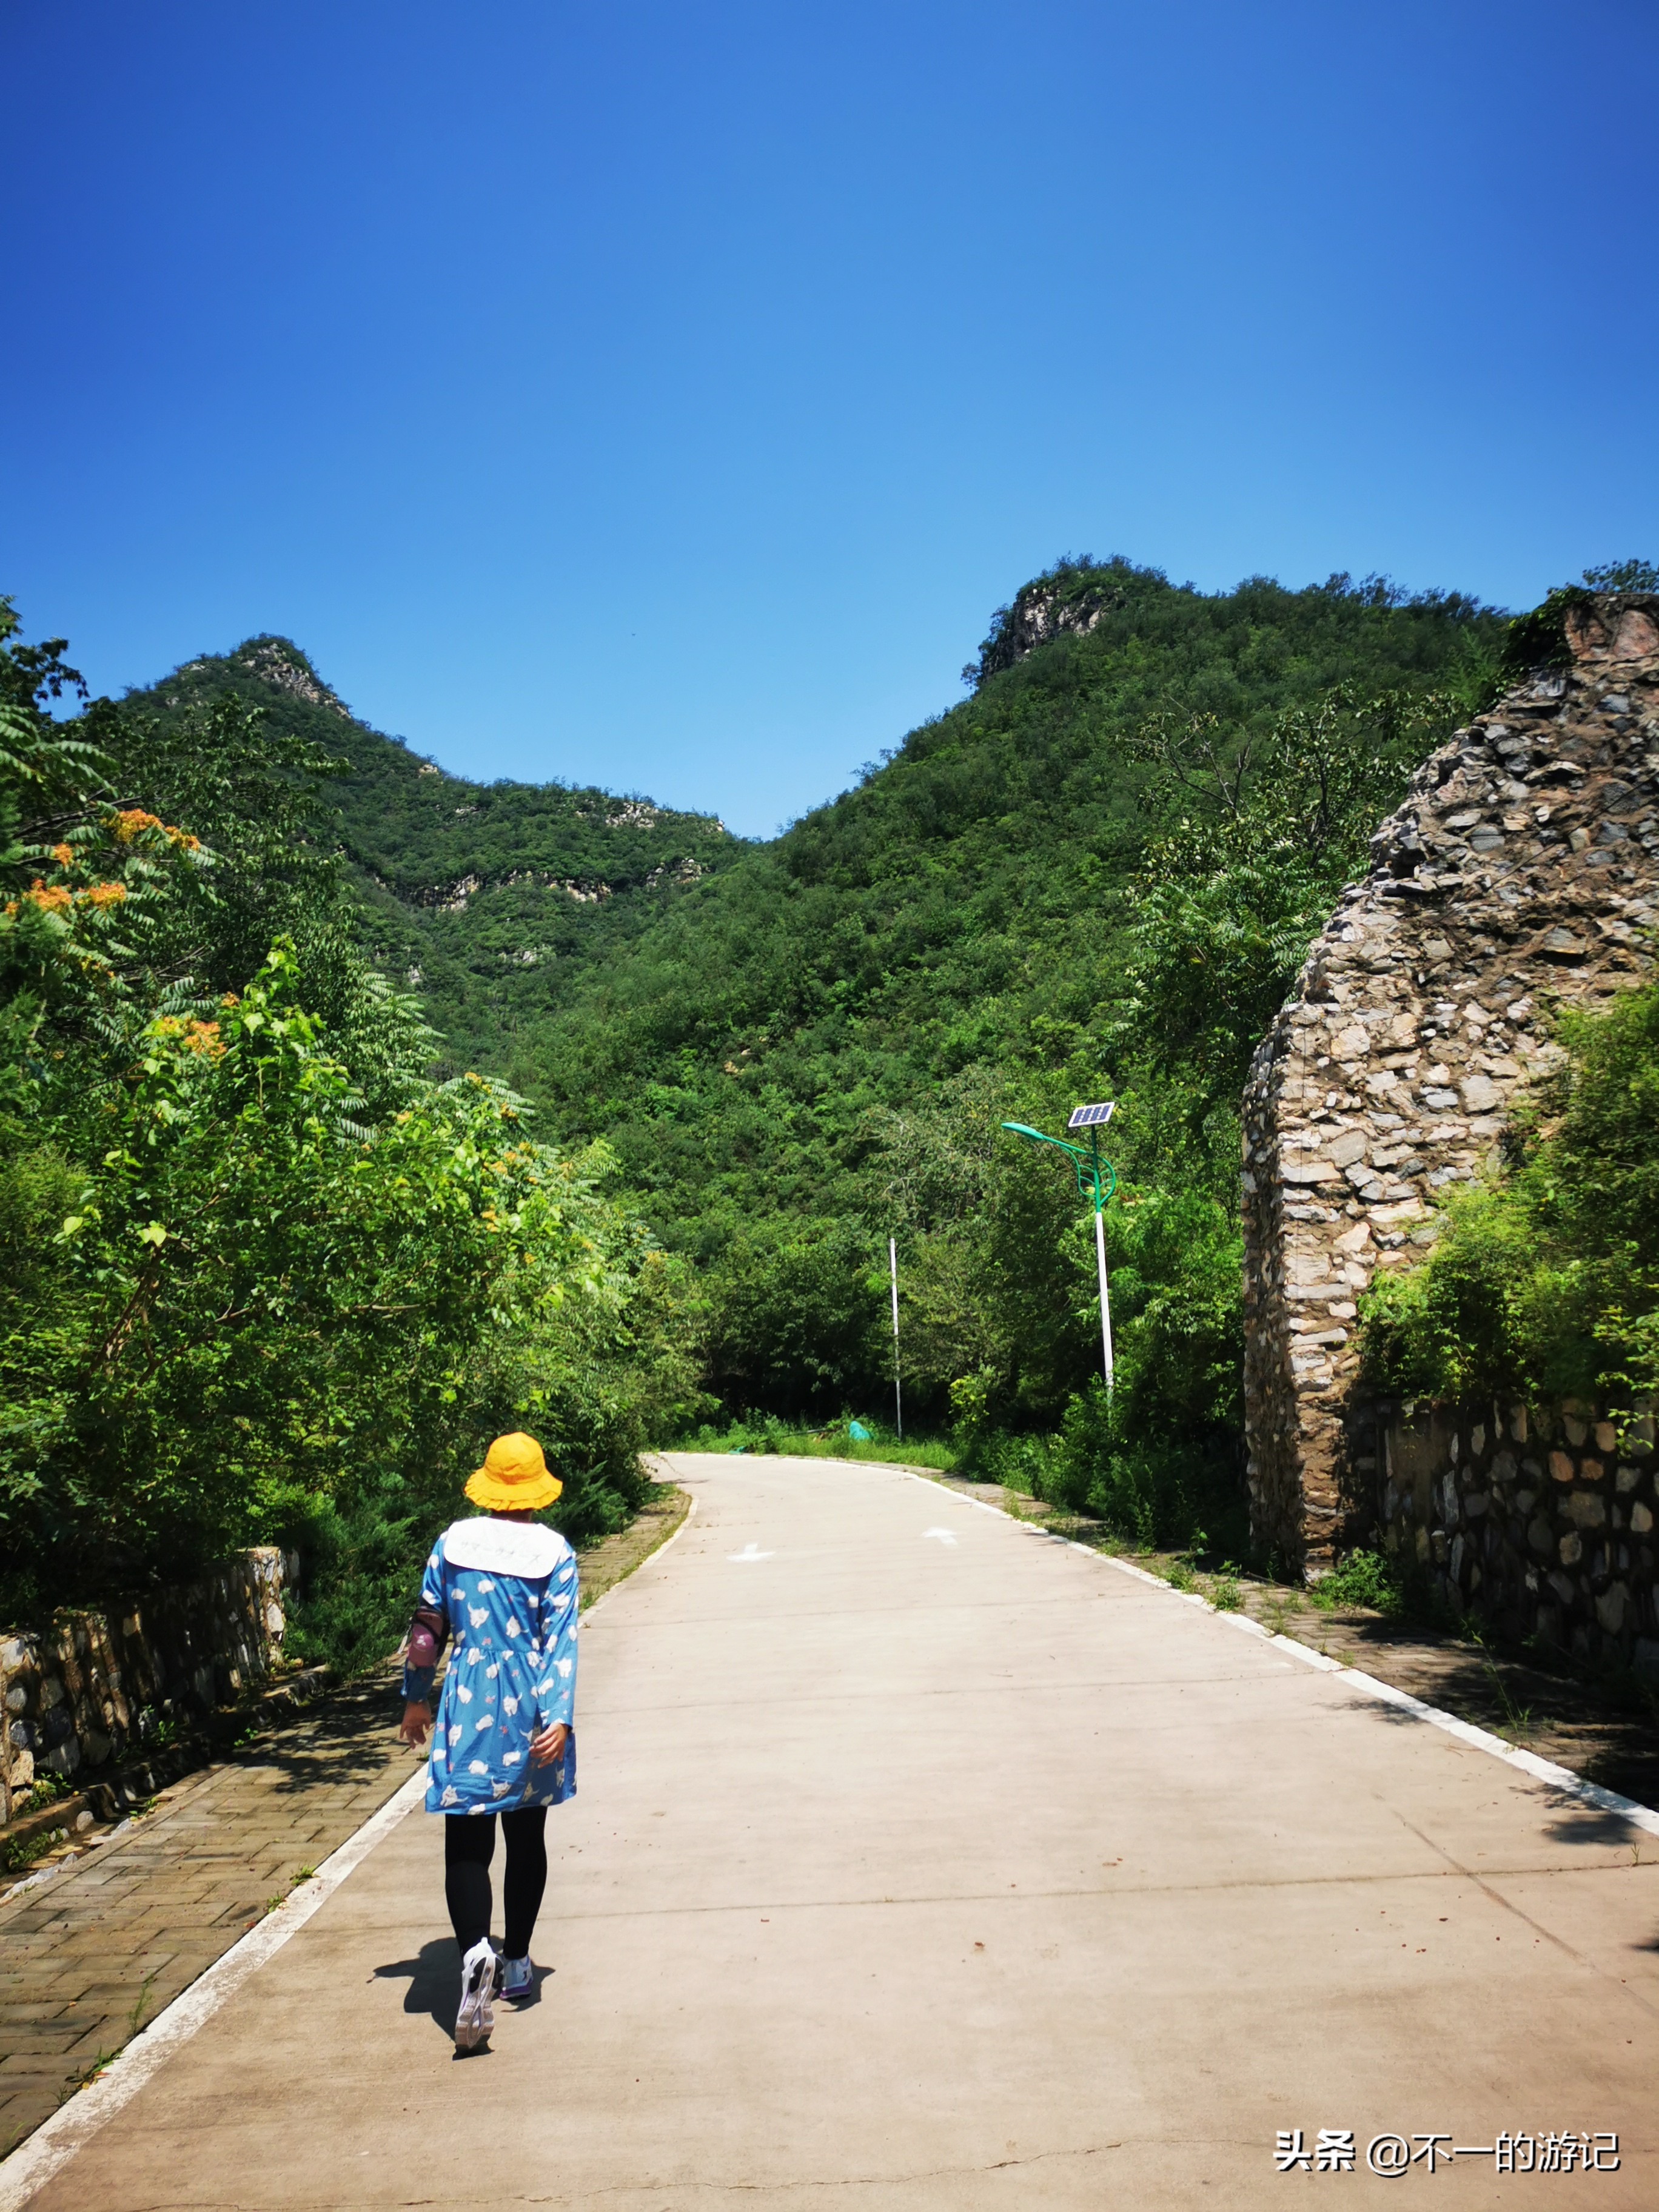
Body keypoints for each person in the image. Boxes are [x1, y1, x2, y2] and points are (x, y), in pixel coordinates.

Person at [399, 1431, 579, 2050]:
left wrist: (416, 1695)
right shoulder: (554, 1552)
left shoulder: (454, 1543)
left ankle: (477, 1948)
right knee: (526, 1835)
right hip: (530, 1703)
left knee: (467, 1840)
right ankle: (520, 1963)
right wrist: (557, 1713)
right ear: (535, 1490)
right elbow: (560, 1640)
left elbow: (427, 1627)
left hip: (470, 1700)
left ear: (489, 1486)